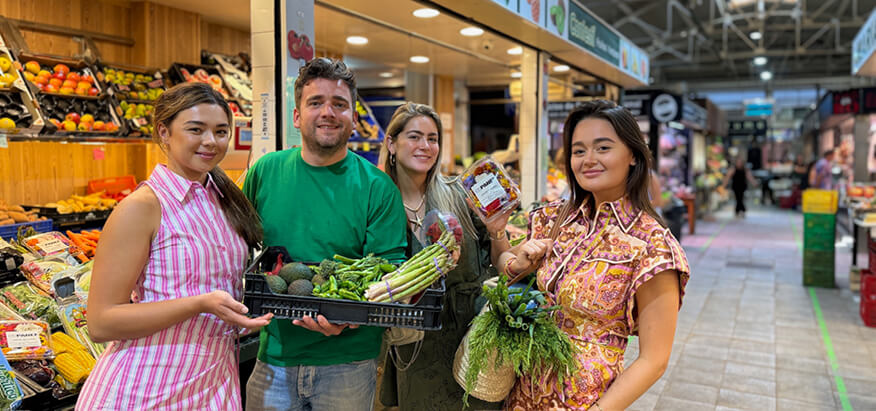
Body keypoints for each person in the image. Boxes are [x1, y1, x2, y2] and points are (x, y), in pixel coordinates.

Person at [77, 83, 273, 410]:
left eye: (221, 131)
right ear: (164, 133)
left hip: (213, 383)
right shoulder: (142, 207)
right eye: (196, 129)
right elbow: (100, 322)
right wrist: (199, 304)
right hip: (146, 389)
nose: (211, 141)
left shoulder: (225, 201)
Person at [498, 100, 690, 410]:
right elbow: (504, 263)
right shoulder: (555, 219)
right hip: (521, 396)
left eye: (603, 148)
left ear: (633, 155)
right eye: (579, 151)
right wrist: (507, 251)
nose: (589, 160)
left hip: (585, 402)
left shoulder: (652, 246)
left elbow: (654, 360)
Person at [243, 58, 407, 411]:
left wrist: (347, 321)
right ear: (297, 115)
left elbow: (389, 274)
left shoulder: (377, 188)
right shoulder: (265, 172)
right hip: (274, 357)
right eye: (315, 102)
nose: (328, 113)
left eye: (339, 104)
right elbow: (239, 244)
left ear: (353, 117)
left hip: (349, 362)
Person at [376, 102, 513, 411]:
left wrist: (497, 230)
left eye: (433, 138)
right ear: (391, 143)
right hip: (416, 344)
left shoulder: (461, 195)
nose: (425, 146)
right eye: (414, 136)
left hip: (474, 340)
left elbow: (501, 261)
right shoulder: (379, 204)